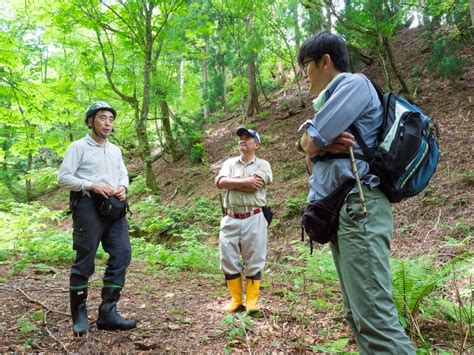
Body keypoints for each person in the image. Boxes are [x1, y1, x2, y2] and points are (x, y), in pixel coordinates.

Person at [297, 32, 415, 354]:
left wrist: (313, 142)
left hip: (360, 208)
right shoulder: (331, 103)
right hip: (344, 213)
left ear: (325, 62)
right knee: (359, 316)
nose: (302, 75)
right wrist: (314, 145)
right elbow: (310, 153)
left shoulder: (354, 85)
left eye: (304, 65)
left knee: (375, 318)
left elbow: (311, 139)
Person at [57, 101, 136, 336]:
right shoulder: (78, 147)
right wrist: (90, 184)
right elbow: (63, 178)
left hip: (114, 207)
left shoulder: (115, 150)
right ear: (91, 120)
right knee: (86, 257)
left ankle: (108, 313)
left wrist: (122, 186)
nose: (108, 122)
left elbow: (123, 174)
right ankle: (79, 315)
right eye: (102, 117)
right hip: (87, 206)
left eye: (111, 119)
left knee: (122, 254)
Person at [215, 128, 272, 314]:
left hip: (254, 216)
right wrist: (243, 182)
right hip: (230, 217)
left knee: (254, 259)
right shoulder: (229, 163)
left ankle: (252, 302)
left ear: (257, 144)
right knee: (228, 259)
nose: (243, 140)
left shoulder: (263, 164)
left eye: (248, 138)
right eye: (241, 138)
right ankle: (236, 301)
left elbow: (256, 185)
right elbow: (220, 183)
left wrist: (233, 183)